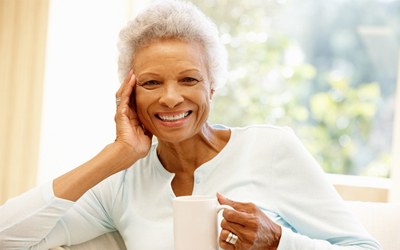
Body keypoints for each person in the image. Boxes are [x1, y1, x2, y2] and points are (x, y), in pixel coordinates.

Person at [0, 0, 381, 249]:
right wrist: (115, 155)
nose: (169, 98)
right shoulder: (121, 181)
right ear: (129, 93)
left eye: (188, 79)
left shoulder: (271, 150)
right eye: (151, 83)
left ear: (212, 86)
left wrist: (280, 242)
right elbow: (7, 237)